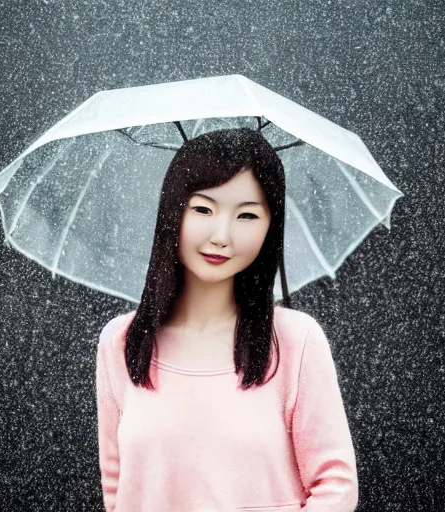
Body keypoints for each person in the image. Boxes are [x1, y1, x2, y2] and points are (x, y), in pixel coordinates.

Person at [96, 127, 358, 511]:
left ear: (272, 227)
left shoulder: (295, 340)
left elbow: (335, 486)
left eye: (247, 215)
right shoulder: (121, 341)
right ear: (173, 210)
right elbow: (117, 491)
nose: (222, 235)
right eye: (203, 209)